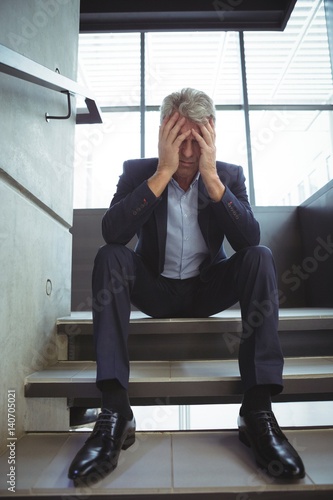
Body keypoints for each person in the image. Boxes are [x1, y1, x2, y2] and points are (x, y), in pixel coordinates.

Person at [68, 88, 305, 485]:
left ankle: (258, 410)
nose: (190, 149)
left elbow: (248, 240)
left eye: (199, 137)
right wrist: (161, 174)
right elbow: (113, 232)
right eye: (181, 135)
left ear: (212, 135)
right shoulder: (137, 171)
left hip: (206, 289)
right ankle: (114, 411)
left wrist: (212, 181)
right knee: (111, 256)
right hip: (154, 289)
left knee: (259, 255)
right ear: (164, 132)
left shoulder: (228, 174)